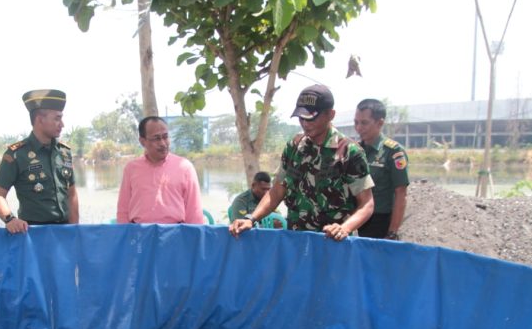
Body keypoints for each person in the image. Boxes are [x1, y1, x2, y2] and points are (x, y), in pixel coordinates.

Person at [229, 84, 374, 241]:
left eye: (311, 118)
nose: (305, 123)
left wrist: (344, 228)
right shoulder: (295, 147)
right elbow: (277, 191)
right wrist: (251, 218)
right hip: (297, 243)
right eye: (301, 117)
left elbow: (367, 204)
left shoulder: (349, 152)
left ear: (330, 115)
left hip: (332, 244)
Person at [0, 89, 79, 233]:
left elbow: (72, 195)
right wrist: (10, 219)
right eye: (57, 118)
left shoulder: (64, 152)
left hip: (64, 232)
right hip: (33, 235)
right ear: (39, 119)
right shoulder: (17, 154)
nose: (62, 124)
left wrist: (75, 232)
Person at [116, 116, 204, 224]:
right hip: (140, 235)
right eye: (156, 138)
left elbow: (194, 212)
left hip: (175, 235)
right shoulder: (131, 169)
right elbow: (123, 210)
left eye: (165, 137)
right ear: (143, 141)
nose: (163, 143)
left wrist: (195, 238)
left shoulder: (185, 167)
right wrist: (125, 236)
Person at [354, 99, 409, 240]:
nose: (359, 128)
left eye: (364, 123)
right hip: (359, 219)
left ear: (380, 123)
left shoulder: (393, 152)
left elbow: (401, 194)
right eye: (356, 122)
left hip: (382, 221)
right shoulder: (355, 151)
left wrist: (392, 232)